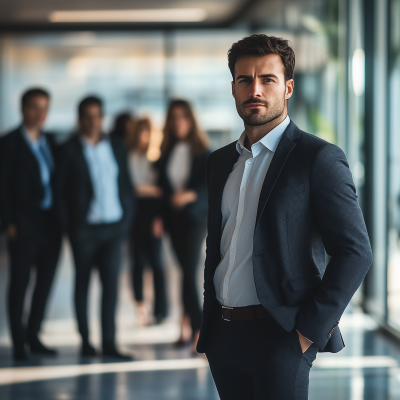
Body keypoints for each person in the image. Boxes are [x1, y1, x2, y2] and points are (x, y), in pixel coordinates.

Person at [196, 34, 373, 399]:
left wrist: (308, 332)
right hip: (224, 336)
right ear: (233, 88)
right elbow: (220, 246)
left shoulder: (318, 158)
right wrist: (210, 325)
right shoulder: (218, 162)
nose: (255, 89)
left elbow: (355, 252)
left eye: (268, 79)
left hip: (282, 334)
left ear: (288, 87)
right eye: (245, 79)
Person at [55, 96, 135, 360]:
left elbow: (126, 185)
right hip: (84, 230)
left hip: (113, 228)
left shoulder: (117, 147)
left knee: (111, 288)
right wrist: (71, 228)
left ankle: (110, 344)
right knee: (83, 286)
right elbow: (60, 193)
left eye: (97, 115)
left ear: (103, 117)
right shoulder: (67, 150)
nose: (93, 121)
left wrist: (125, 221)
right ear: (80, 119)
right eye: (88, 116)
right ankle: (86, 342)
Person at [0, 88, 62, 361]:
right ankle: (17, 342)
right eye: (35, 107)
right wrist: (8, 223)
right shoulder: (8, 143)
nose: (41, 114)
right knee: (20, 283)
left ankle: (33, 335)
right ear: (23, 109)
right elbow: (1, 186)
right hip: (23, 223)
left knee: (45, 283)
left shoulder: (51, 141)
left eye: (45, 108)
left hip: (51, 223)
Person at [156, 100, 210, 351]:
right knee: (184, 274)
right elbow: (162, 189)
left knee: (189, 273)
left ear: (191, 120)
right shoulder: (165, 152)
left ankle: (201, 331)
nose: (178, 122)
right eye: (173, 118)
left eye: (183, 117)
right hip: (172, 220)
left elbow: (210, 186)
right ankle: (185, 326)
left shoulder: (203, 151)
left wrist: (190, 195)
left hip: (195, 219)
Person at [128, 117, 167, 325]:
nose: (146, 135)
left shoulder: (158, 158)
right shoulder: (128, 155)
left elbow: (162, 192)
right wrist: (148, 189)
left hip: (152, 213)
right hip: (133, 213)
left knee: (156, 263)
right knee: (136, 261)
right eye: (143, 131)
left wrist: (159, 217)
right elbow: (127, 187)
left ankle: (161, 310)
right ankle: (140, 305)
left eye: (150, 131)